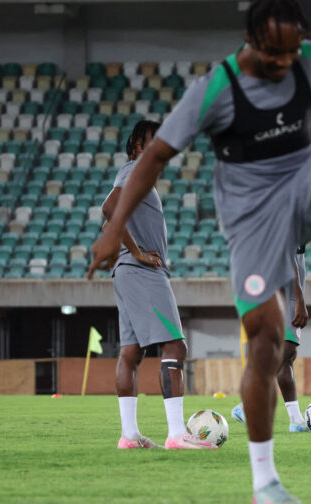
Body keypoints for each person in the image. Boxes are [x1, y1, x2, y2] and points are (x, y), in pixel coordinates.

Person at [87, 0, 311, 504]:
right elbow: (156, 155)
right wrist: (115, 230)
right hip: (252, 226)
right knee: (265, 343)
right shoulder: (216, 88)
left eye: (292, 52)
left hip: (305, 196)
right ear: (252, 43)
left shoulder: (306, 58)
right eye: (275, 54)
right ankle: (265, 481)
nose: (285, 63)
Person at [95, 119, 218, 451]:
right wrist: (137, 252)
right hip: (140, 270)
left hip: (125, 270)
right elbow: (109, 208)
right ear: (137, 144)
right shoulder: (135, 169)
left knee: (131, 353)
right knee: (175, 347)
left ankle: (129, 436)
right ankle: (177, 434)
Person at [231, 244, 308, 432]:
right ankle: (247, 403)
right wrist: (299, 299)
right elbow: (289, 259)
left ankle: (296, 420)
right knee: (287, 349)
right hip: (288, 292)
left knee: (286, 359)